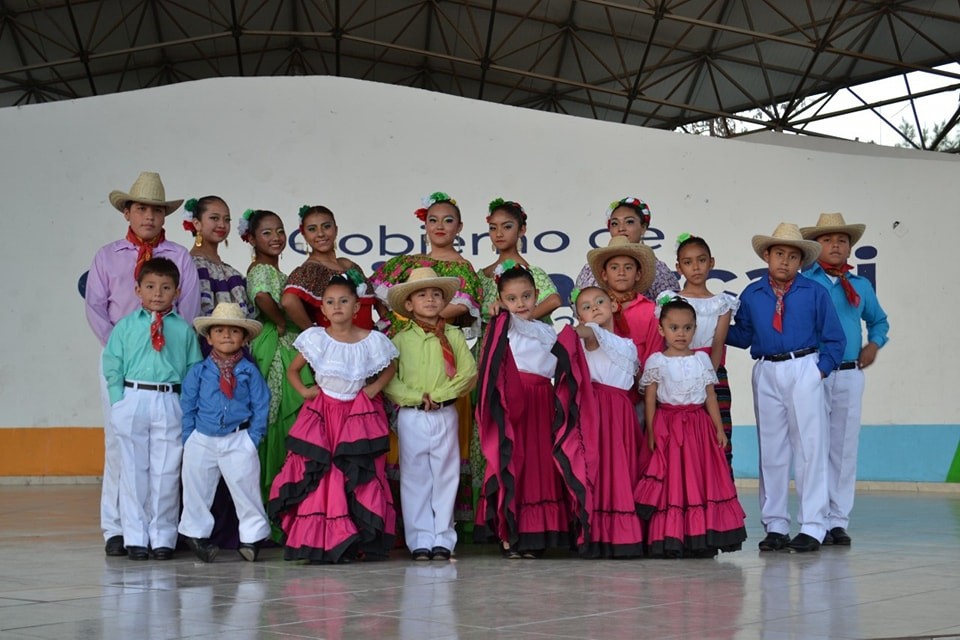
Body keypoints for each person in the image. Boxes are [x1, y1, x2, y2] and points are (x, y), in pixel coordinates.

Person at [85, 171, 200, 557]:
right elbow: (96, 308)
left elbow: (187, 310)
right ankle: (115, 528)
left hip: (166, 360)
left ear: (164, 215)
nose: (148, 216)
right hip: (122, 360)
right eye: (140, 209)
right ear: (127, 213)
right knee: (118, 446)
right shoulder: (107, 256)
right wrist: (127, 347)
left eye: (155, 209)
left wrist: (160, 347)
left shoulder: (178, 257)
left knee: (164, 458)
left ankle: (160, 532)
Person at [726, 223, 845, 553]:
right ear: (767, 255)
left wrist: (818, 372)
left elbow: (835, 338)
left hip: (804, 365)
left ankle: (812, 525)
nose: (785, 262)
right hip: (766, 369)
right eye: (779, 254)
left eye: (793, 256)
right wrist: (712, 327)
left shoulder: (814, 292)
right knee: (772, 449)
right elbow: (744, 335)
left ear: (801, 261)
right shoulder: (752, 294)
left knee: (810, 447)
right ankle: (776, 524)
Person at [372, 192, 484, 533]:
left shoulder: (463, 269)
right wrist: (402, 323)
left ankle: (443, 534)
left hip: (443, 377)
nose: (440, 226)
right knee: (412, 463)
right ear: (423, 224)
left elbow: (464, 309)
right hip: (408, 372)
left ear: (460, 227)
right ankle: (414, 533)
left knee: (445, 464)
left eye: (448, 220)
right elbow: (377, 295)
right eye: (433, 220)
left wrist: (431, 319)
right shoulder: (405, 263)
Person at [269, 276, 398, 564]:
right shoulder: (316, 339)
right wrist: (305, 391)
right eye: (330, 302)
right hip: (323, 415)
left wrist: (375, 388)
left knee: (353, 474)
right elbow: (293, 370)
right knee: (324, 476)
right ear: (322, 310)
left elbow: (390, 366)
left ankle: (352, 541)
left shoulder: (372, 340)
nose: (337, 306)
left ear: (356, 307)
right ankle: (320, 541)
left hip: (357, 417)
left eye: (344, 300)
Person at [102, 257, 203, 560]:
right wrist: (118, 401)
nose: (157, 293)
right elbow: (112, 365)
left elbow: (192, 368)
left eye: (165, 287)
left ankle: (163, 537)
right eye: (150, 286)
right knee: (133, 470)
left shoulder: (184, 330)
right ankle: (135, 536)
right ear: (137, 290)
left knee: (166, 469)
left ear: (177, 291)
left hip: (169, 399)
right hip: (133, 397)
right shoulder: (124, 327)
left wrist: (184, 404)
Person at [475, 264, 575, 559]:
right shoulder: (502, 326)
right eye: (512, 298)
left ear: (536, 296)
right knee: (513, 463)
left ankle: (537, 534)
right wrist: (497, 313)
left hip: (543, 405)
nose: (521, 304)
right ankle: (510, 533)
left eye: (527, 296)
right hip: (513, 407)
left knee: (540, 467)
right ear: (502, 301)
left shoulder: (547, 331)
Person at [801, 213, 890, 546]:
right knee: (814, 446)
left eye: (841, 240)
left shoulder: (861, 286)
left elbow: (879, 322)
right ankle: (815, 519)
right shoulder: (805, 282)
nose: (835, 245)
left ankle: (838, 520)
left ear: (850, 248)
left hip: (851, 373)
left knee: (843, 448)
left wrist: (874, 345)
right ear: (815, 246)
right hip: (816, 372)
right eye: (827, 240)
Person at [636, 297, 747, 558]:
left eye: (687, 328)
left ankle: (700, 538)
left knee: (698, 479)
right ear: (662, 329)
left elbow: (710, 396)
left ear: (694, 329)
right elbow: (650, 398)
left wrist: (718, 429)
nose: (681, 333)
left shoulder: (701, 360)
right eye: (674, 328)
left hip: (698, 427)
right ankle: (672, 537)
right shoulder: (656, 362)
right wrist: (651, 431)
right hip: (669, 426)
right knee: (672, 480)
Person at [383, 267, 478, 561]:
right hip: (412, 415)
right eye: (422, 294)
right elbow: (390, 379)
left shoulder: (453, 335)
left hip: (445, 412)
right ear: (409, 304)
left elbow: (468, 372)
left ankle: (443, 539)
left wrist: (439, 395)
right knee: (415, 477)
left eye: (436, 294)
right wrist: (415, 397)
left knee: (446, 475)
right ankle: (419, 539)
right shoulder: (399, 340)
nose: (430, 299)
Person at [241, 209, 314, 540]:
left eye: (280, 231)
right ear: (252, 239)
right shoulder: (261, 269)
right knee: (279, 417)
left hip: (283, 345)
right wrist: (281, 320)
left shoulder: (274, 268)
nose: (275, 238)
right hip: (275, 348)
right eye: (267, 233)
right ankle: (275, 513)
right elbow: (261, 297)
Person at [179, 303, 271, 563]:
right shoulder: (199, 371)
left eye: (233, 331)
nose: (226, 336)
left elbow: (261, 403)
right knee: (197, 487)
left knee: (246, 488)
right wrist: (189, 437)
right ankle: (196, 535)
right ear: (209, 338)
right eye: (219, 331)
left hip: (238, 437)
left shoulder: (249, 372)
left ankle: (251, 539)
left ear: (244, 338)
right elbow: (188, 404)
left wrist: (253, 438)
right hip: (202, 438)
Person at [563, 286, 645, 557]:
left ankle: (620, 533)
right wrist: (576, 329)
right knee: (598, 469)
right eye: (586, 306)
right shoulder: (592, 334)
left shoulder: (628, 346)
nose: (594, 308)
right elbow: (587, 333)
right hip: (596, 412)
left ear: (614, 306)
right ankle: (594, 532)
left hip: (621, 414)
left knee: (620, 469)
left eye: (599, 302)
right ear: (579, 316)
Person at [661, 234, 739, 471]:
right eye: (688, 262)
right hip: (675, 376)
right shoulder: (669, 300)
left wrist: (706, 379)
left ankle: (722, 495)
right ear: (678, 267)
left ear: (712, 262)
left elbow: (718, 345)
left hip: (712, 375)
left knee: (719, 431)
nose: (695, 267)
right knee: (681, 437)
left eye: (701, 260)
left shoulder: (723, 303)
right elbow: (664, 342)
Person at [586, 236, 663, 414]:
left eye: (628, 267)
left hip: (638, 397)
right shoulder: (594, 308)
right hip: (599, 395)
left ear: (638, 274)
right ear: (604, 274)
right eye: (614, 267)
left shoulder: (651, 311)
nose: (621, 272)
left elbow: (655, 356)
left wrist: (646, 393)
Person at [282, 205, 378, 331]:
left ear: (336, 229)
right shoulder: (311, 269)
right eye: (312, 229)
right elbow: (288, 301)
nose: (321, 233)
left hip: (368, 342)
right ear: (304, 235)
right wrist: (313, 334)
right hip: (338, 346)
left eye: (326, 226)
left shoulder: (349, 264)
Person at [575, 197, 679, 300]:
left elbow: (671, 309)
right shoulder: (591, 269)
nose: (621, 229)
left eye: (629, 222)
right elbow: (577, 305)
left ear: (643, 228)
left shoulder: (658, 270)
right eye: (615, 223)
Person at [479, 198, 561, 323]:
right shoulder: (482, 276)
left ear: (522, 230)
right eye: (493, 228)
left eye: (507, 227)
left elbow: (554, 301)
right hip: (487, 341)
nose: (499, 234)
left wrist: (515, 323)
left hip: (519, 341)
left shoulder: (530, 272)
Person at [183, 195, 252, 320]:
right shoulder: (189, 266)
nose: (222, 224)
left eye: (227, 220)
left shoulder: (231, 273)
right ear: (197, 223)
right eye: (214, 218)